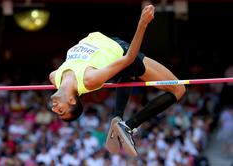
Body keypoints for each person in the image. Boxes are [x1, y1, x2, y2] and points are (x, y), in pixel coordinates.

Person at [49, 5, 186, 157]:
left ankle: (118, 117)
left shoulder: (55, 77)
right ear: (71, 100)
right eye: (61, 110)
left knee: (128, 74)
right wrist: (143, 23)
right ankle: (130, 125)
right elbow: (129, 59)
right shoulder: (89, 80)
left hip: (108, 45)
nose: (54, 109)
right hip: (123, 52)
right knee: (179, 89)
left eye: (58, 111)